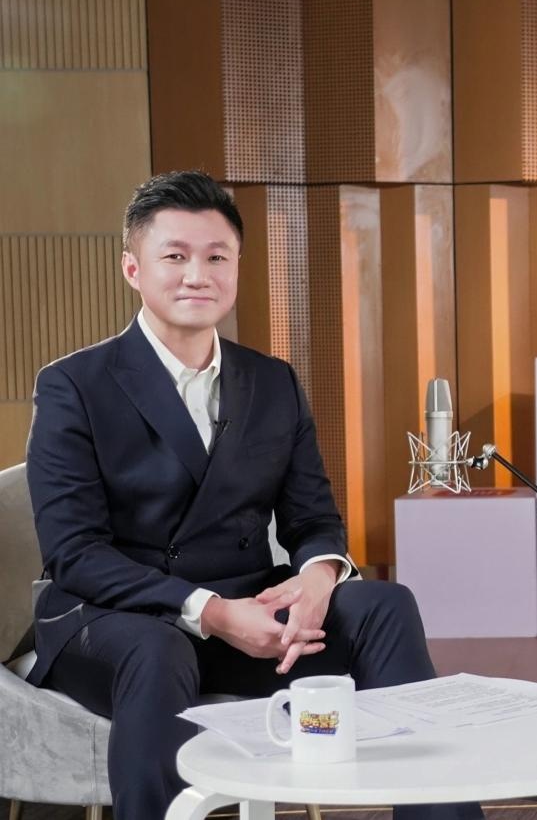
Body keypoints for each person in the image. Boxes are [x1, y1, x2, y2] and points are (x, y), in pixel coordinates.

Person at [25, 171, 481, 820]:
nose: (197, 275)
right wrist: (210, 611)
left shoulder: (273, 381)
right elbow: (74, 553)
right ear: (132, 268)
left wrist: (318, 579)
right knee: (159, 649)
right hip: (111, 619)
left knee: (384, 604)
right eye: (175, 256)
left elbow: (312, 518)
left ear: (237, 267)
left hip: (248, 614)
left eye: (217, 257)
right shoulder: (73, 384)